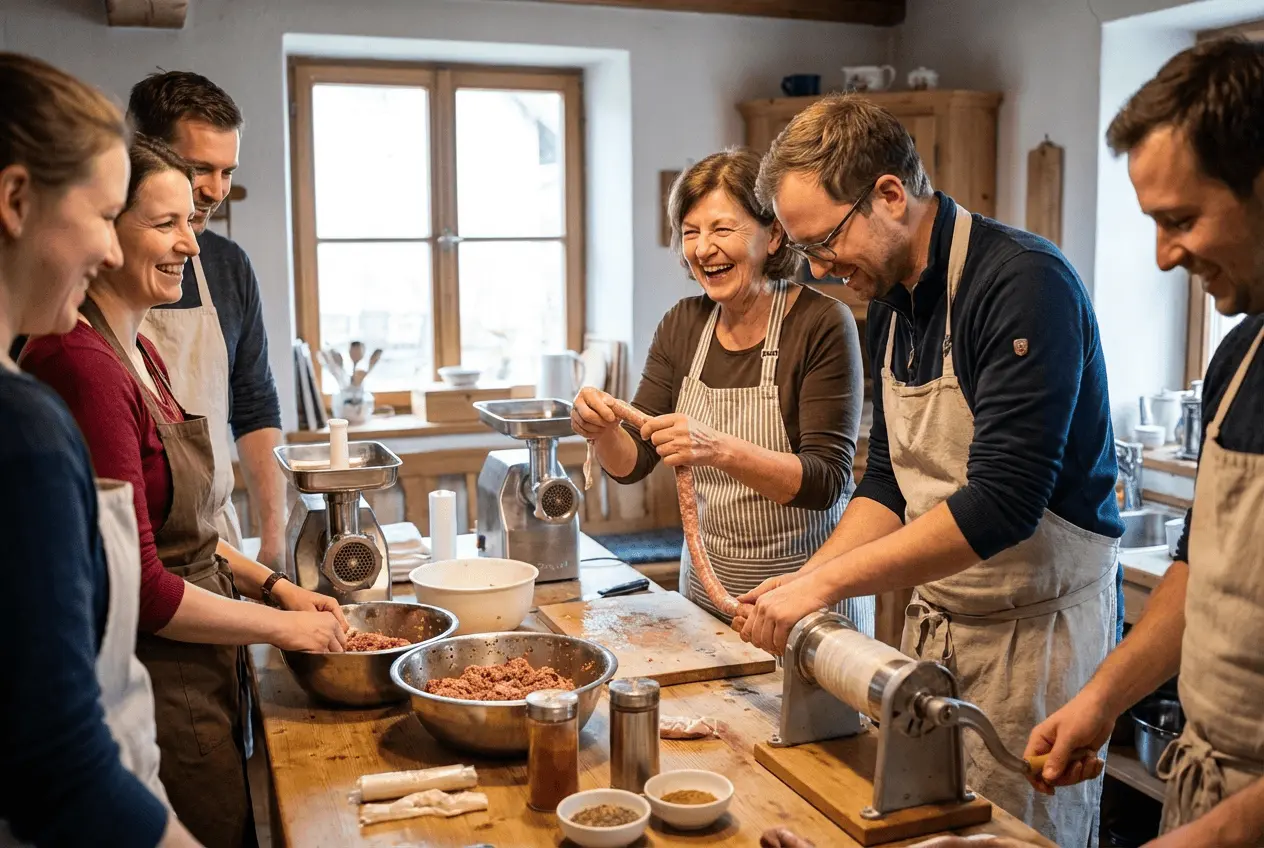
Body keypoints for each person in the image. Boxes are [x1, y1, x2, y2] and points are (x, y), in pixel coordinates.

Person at [735, 94, 1123, 845]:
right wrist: (804, 579)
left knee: (1011, 834)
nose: (819, 269)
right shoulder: (890, 301)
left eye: (824, 242)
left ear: (889, 195)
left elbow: (1004, 503)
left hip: (1033, 643)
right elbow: (888, 480)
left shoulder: (1021, 286)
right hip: (942, 627)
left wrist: (823, 586)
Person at [21, 135, 347, 848]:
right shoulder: (81, 365)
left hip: (203, 661)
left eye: (191, 223)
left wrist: (274, 587)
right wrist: (285, 628)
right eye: (163, 224)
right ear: (106, 231)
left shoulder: (136, 349)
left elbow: (189, 534)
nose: (190, 246)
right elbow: (141, 583)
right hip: (163, 679)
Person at [1025, 37, 1264, 848]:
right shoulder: (1241, 355)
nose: (1163, 256)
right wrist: (1102, 699)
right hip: (1209, 783)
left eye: (1182, 220)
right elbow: (1201, 578)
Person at [0, 52, 200, 847]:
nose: (109, 253)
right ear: (16, 198)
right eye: (102, 215)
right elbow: (61, 770)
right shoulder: (25, 426)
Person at [571, 148, 874, 630]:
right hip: (706, 600)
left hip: (806, 604)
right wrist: (601, 430)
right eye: (690, 232)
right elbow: (633, 463)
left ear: (773, 235)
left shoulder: (821, 323)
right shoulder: (683, 324)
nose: (702, 248)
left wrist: (717, 448)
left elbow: (825, 481)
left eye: (721, 228)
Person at [125, 71, 288, 567]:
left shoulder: (227, 266)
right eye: (200, 168)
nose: (216, 190)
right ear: (146, 153)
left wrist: (274, 539)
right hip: (134, 541)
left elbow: (255, 404)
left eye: (229, 172)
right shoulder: (94, 273)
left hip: (218, 541)